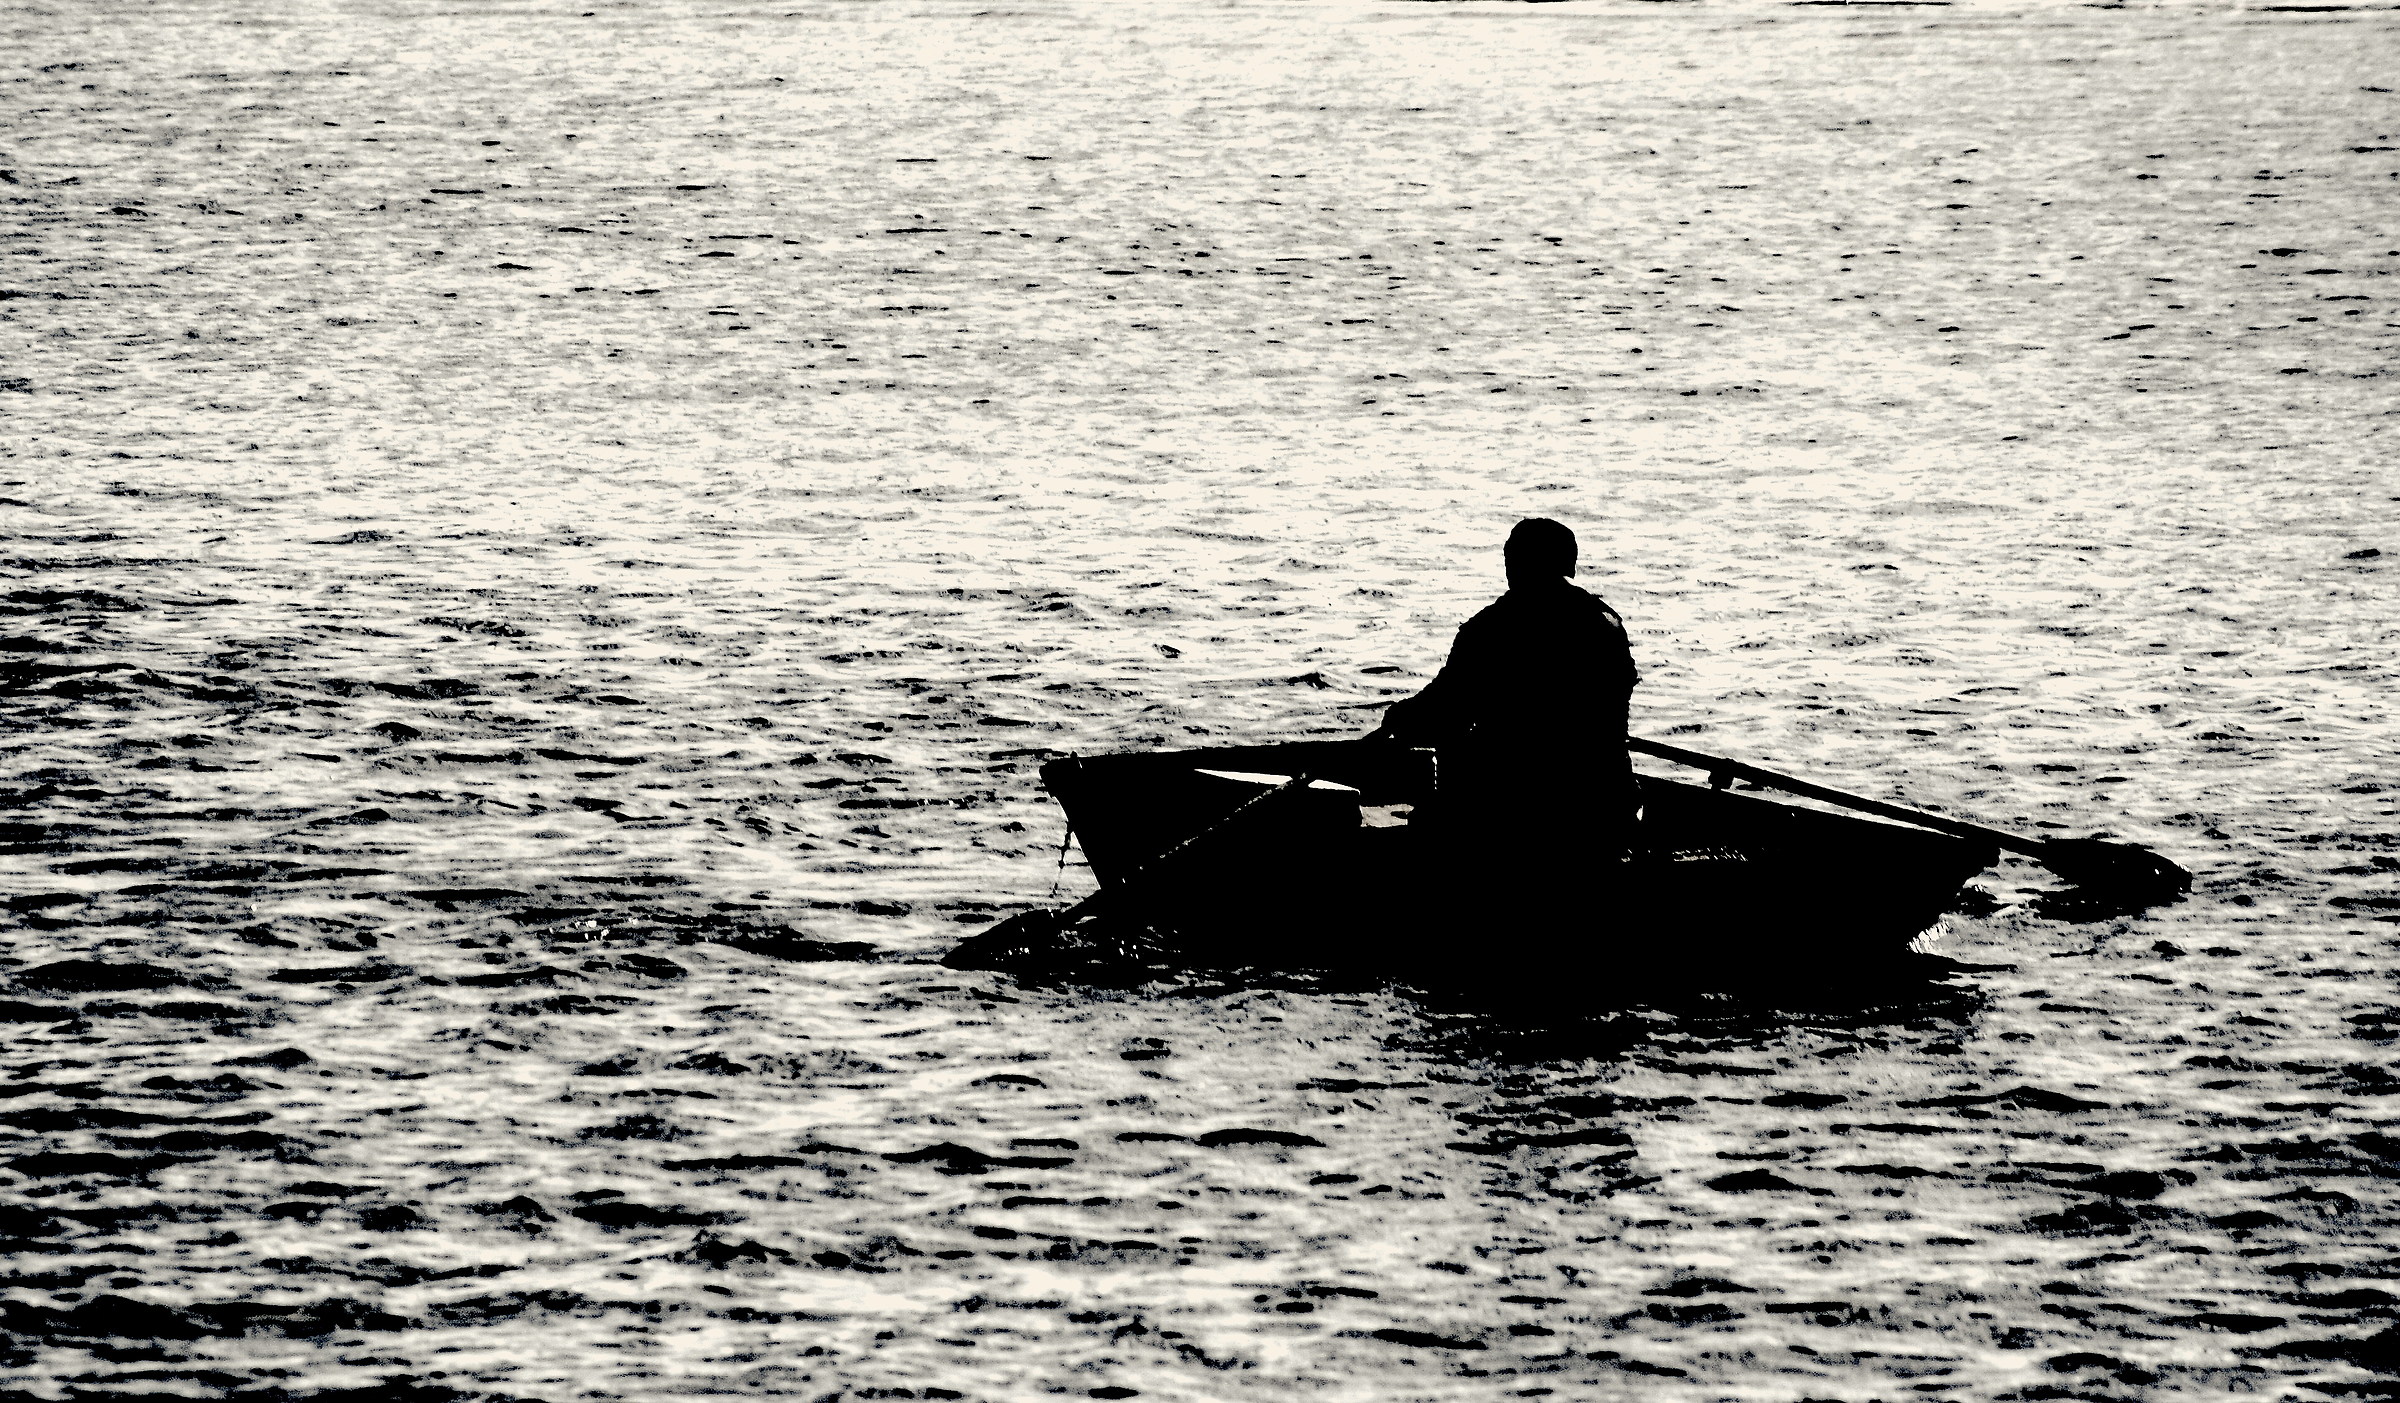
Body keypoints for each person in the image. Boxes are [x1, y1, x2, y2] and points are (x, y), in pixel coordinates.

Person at [1368, 518, 1639, 856]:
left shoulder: (1492, 629)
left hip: (1513, 813)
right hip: (1606, 805)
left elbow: (1445, 711)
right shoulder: (1606, 624)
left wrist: (1401, 719)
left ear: (1515, 564)